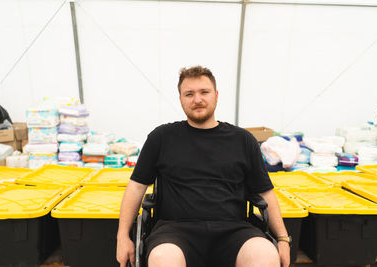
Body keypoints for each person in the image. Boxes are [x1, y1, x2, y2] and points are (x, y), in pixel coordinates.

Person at [117, 66, 290, 267]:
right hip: (174, 232)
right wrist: (123, 237)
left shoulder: (243, 140)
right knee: (162, 259)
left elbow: (265, 192)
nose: (197, 99)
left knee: (265, 256)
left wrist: (283, 239)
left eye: (204, 92)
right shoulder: (161, 137)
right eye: (189, 94)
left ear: (216, 96)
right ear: (180, 99)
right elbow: (136, 187)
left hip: (234, 230)